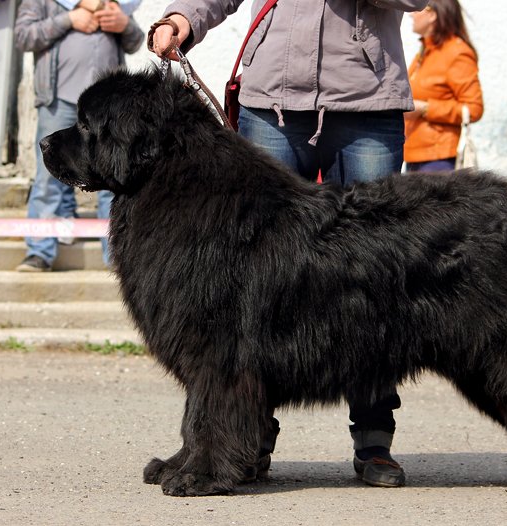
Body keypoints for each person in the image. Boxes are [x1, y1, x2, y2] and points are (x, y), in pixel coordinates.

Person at [149, 0, 429, 488]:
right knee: (251, 294)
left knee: (375, 281)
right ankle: (245, 439)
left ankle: (374, 440)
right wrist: (183, 20)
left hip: (366, 105)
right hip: (271, 107)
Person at [13, 0, 144, 272]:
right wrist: (68, 20)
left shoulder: (115, 2)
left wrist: (124, 25)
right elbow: (23, 36)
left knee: (113, 178)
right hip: (60, 101)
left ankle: (116, 258)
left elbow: (136, 41)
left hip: (105, 113)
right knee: (47, 181)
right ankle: (40, 252)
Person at [404, 0, 483, 172]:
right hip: (414, 155)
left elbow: (473, 109)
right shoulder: (425, 53)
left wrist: (425, 108)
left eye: (418, 8)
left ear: (432, 15)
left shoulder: (456, 52)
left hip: (439, 158)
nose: (411, 13)